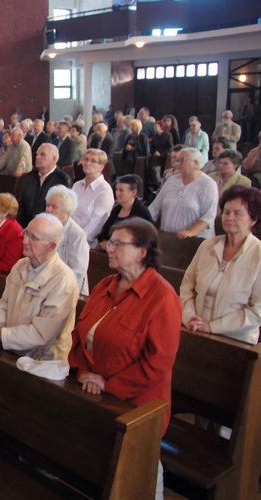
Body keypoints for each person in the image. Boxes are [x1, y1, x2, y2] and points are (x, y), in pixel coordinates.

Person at [69, 217, 181, 440]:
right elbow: (79, 333)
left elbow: (157, 362)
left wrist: (109, 385)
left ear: (142, 252)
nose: (109, 248)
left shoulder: (162, 297)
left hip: (134, 405)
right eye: (110, 242)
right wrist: (83, 372)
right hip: (91, 388)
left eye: (118, 244)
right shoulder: (105, 285)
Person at [0, 213, 79, 360]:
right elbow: (4, 304)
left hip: (41, 361)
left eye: (33, 238)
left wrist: (0, 335)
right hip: (11, 348)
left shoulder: (63, 279)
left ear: (51, 246)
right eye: (26, 233)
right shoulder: (21, 265)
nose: (25, 241)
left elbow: (42, 334)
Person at [180, 185, 261, 344]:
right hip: (195, 330)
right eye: (226, 212)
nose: (229, 217)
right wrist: (190, 317)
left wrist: (212, 326)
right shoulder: (207, 246)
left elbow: (257, 309)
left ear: (253, 219)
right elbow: (187, 287)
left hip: (236, 341)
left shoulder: (258, 254)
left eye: (237, 213)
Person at [149, 147, 218, 239]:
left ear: (196, 163)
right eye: (177, 160)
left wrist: (190, 232)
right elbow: (154, 208)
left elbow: (209, 216)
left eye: (182, 160)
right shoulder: (172, 180)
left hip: (193, 241)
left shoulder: (207, 184)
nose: (177, 164)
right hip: (167, 239)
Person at [45, 186, 90, 295]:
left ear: (67, 211)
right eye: (47, 205)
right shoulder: (44, 226)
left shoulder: (77, 235)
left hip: (66, 291)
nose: (48, 209)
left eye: (54, 207)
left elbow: (78, 272)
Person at [17, 143, 72, 227]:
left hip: (48, 227)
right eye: (37, 154)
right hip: (26, 226)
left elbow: (61, 211)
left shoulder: (63, 180)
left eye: (42, 154)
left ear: (54, 159)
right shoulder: (29, 177)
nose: (37, 157)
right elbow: (21, 205)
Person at [70, 148, 115, 248]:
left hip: (85, 243)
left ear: (101, 167)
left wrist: (78, 241)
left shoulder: (104, 190)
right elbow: (68, 212)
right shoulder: (77, 185)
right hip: (68, 235)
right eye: (86, 159)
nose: (87, 163)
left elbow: (97, 223)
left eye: (93, 161)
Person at [96, 174, 153, 249]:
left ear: (133, 192)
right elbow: (104, 233)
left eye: (121, 190)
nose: (117, 193)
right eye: (116, 190)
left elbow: (144, 240)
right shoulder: (116, 210)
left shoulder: (142, 213)